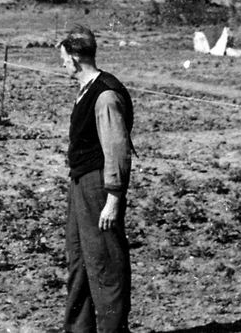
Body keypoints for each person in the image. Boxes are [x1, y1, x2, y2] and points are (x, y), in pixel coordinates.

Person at [59, 26, 133, 333]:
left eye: (63, 58)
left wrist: (113, 199)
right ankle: (79, 328)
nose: (62, 64)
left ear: (75, 58)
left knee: (105, 261)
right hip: (81, 182)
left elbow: (117, 150)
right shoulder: (87, 89)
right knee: (78, 258)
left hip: (99, 185)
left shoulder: (105, 95)